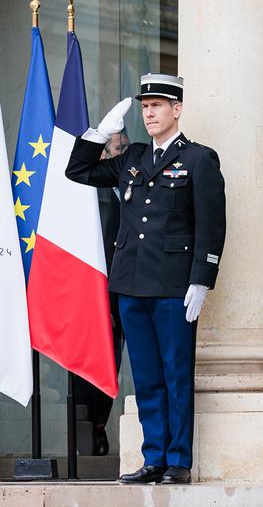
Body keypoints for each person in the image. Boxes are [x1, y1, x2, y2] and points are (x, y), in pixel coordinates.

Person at [66, 73, 226, 485]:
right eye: (145, 106)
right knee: (147, 377)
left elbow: (211, 224)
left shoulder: (198, 159)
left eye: (158, 105)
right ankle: (153, 457)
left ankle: (178, 461)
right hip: (130, 284)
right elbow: (78, 170)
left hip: (174, 286)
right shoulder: (133, 158)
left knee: (176, 376)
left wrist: (202, 278)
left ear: (177, 109)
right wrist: (99, 133)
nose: (149, 112)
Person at [73, 131, 130, 456]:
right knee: (94, 365)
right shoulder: (92, 197)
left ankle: (99, 424)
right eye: (116, 149)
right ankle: (89, 427)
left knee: (115, 365)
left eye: (124, 147)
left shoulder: (133, 188)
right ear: (104, 157)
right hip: (97, 298)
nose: (121, 153)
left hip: (128, 294)